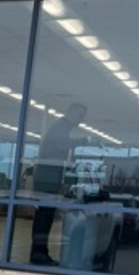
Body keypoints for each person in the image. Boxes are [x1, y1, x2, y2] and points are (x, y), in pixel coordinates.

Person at [30, 102, 88, 266]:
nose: (80, 119)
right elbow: (62, 144)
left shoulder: (63, 128)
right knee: (44, 217)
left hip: (49, 178)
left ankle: (40, 253)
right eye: (78, 114)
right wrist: (83, 141)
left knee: (45, 217)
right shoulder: (60, 127)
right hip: (46, 179)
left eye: (82, 116)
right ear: (70, 112)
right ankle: (38, 254)